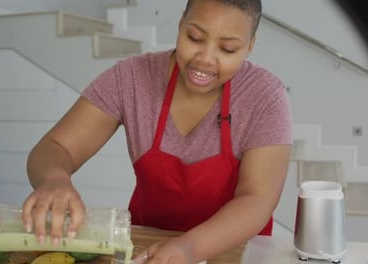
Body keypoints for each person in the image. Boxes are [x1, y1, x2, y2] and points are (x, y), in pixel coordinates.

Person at [21, 0, 293, 263]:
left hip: (235, 254)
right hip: (146, 249)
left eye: (228, 49)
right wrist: (54, 181)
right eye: (195, 38)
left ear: (250, 46)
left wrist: (191, 248)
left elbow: (257, 198)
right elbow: (56, 147)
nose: (205, 59)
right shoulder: (131, 78)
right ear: (180, 24)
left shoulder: (264, 96)